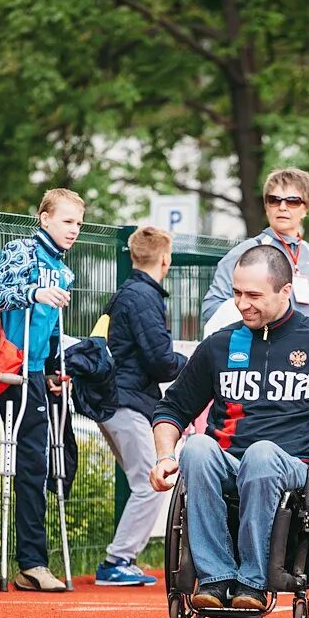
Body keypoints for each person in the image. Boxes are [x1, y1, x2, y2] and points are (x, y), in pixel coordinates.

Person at [151, 244, 309, 610]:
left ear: (286, 291)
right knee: (198, 449)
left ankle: (253, 581)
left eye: (253, 295)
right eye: (236, 293)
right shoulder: (220, 345)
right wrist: (164, 456)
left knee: (261, 454)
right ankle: (216, 578)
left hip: (293, 466)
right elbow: (171, 409)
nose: (241, 303)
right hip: (227, 463)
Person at [0, 188, 83, 593]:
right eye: (67, 221)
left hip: (38, 373)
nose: (74, 230)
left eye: (79, 223)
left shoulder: (65, 269)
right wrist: (33, 292)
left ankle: (33, 561)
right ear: (44, 219)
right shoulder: (23, 251)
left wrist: (53, 371)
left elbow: (50, 328)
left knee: (50, 461)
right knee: (30, 464)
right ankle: (32, 562)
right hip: (10, 371)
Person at [93, 226, 188, 586]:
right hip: (127, 401)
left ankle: (119, 559)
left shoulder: (125, 294)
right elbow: (160, 360)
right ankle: (117, 560)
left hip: (115, 399)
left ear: (134, 256)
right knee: (153, 481)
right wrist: (193, 365)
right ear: (166, 259)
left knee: (145, 481)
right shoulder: (144, 297)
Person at [201, 168, 309, 327]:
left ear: (305, 208)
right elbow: (211, 308)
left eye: (292, 201)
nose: (282, 207)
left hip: (305, 350)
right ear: (266, 206)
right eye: (274, 200)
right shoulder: (246, 252)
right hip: (261, 347)